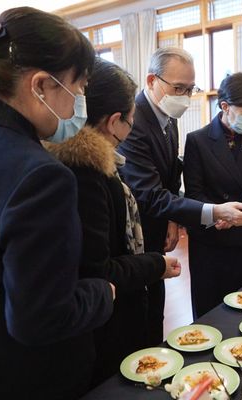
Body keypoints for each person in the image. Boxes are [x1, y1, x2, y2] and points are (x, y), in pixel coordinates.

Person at [0, 9, 115, 399]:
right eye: (77, 88)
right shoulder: (39, 175)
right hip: (14, 377)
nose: (79, 102)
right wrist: (103, 292)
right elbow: (40, 319)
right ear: (42, 85)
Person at [45, 59, 182, 386]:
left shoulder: (98, 162)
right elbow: (97, 270)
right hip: (104, 326)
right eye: (131, 121)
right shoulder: (86, 176)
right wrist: (154, 265)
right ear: (114, 121)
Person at [117, 48, 242, 341]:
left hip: (164, 231)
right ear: (152, 80)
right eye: (178, 88)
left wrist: (172, 220)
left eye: (190, 89)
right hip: (139, 236)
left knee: (156, 312)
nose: (184, 96)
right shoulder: (135, 121)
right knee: (141, 320)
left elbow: (169, 180)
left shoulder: (168, 119)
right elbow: (150, 193)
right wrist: (216, 212)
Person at [183, 72, 242, 318]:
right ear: (225, 106)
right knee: (209, 310)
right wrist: (218, 213)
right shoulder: (198, 140)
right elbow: (194, 193)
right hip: (210, 239)